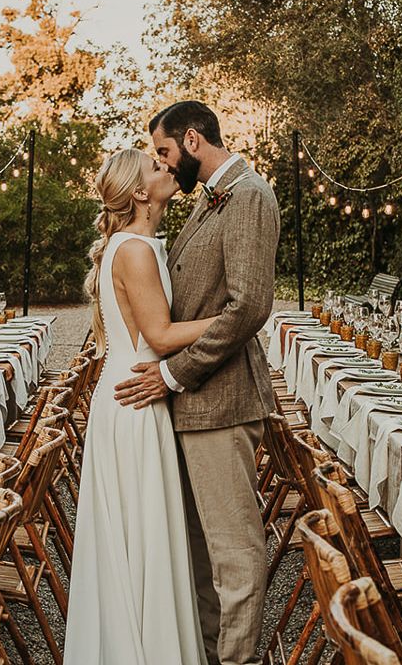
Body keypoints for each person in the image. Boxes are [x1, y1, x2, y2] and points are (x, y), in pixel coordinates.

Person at [115, 100, 279, 665]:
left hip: (222, 403)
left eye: (163, 151)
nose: (162, 163)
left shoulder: (249, 195)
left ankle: (237, 660)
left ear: (191, 140)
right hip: (193, 407)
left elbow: (249, 305)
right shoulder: (210, 199)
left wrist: (172, 373)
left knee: (234, 554)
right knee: (200, 552)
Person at [63, 147, 214, 665]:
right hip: (135, 402)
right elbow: (161, 334)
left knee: (142, 534)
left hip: (130, 393)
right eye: (155, 166)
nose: (166, 167)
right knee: (143, 533)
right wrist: (232, 319)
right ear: (139, 192)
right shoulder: (134, 250)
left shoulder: (133, 245)